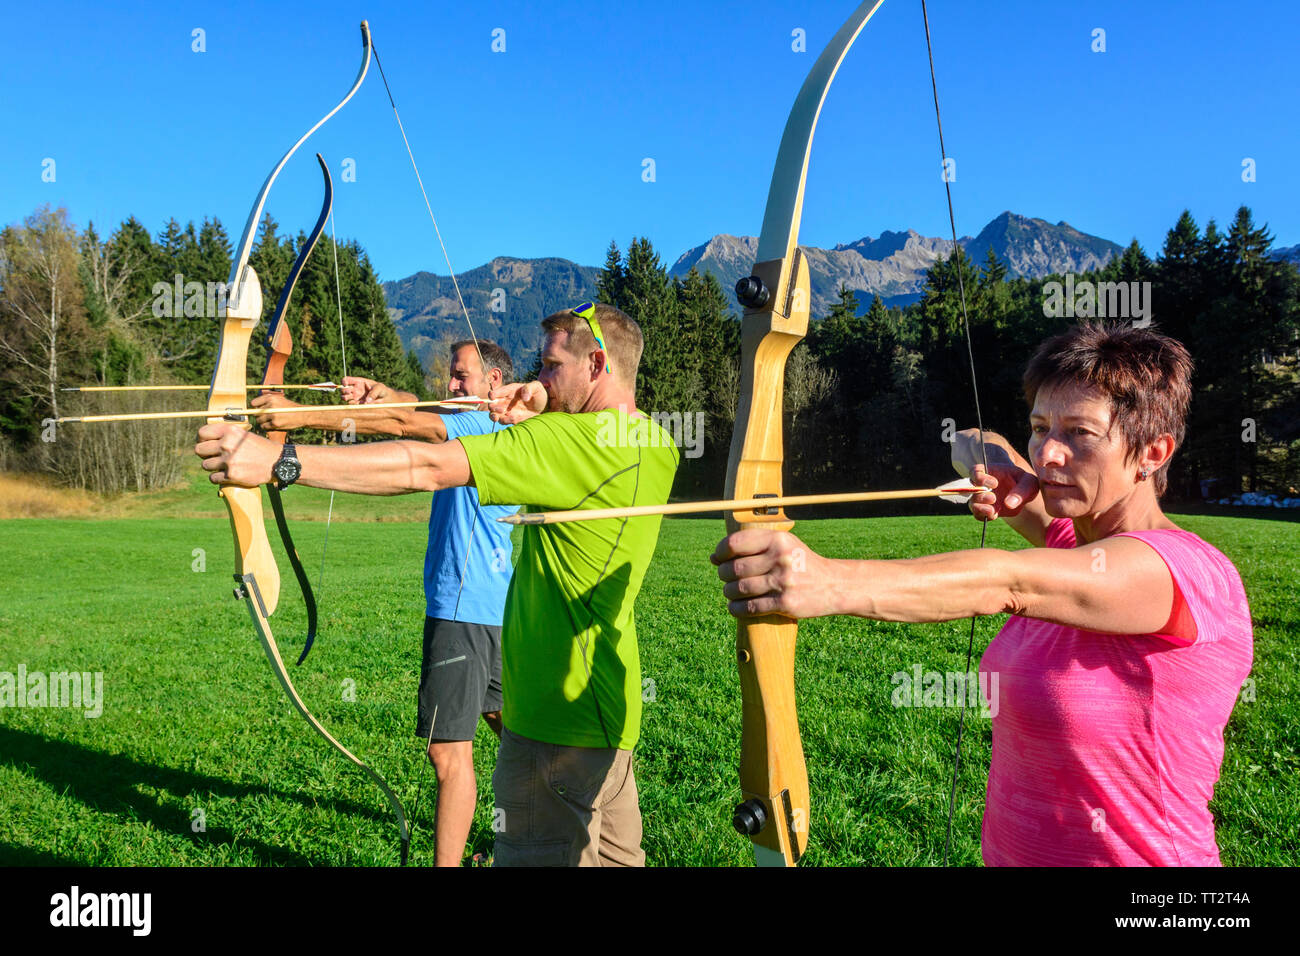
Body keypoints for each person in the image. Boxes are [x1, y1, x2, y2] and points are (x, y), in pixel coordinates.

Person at [712, 322, 1253, 866]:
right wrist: (992, 462)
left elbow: (1008, 581)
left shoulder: (1184, 572)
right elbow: (967, 438)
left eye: (1080, 434)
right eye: (1040, 429)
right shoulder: (1069, 539)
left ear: (1152, 452)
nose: (1049, 456)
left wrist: (825, 581)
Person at [198, 303, 679, 866]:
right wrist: (545, 397)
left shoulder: (566, 443)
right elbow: (575, 422)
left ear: (596, 363)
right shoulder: (653, 440)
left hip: (552, 723)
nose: (539, 378)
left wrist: (278, 460)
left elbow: (424, 466)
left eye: (550, 366)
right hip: (609, 714)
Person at [253, 339, 518, 868]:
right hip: (494, 608)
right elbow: (417, 410)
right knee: (514, 728)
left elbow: (406, 426)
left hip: (461, 608)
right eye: (450, 375)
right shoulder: (492, 425)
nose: (452, 384)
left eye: (462, 376)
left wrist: (297, 416)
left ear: (495, 382)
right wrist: (380, 392)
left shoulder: (480, 425)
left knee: (448, 752)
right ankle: (547, 833)